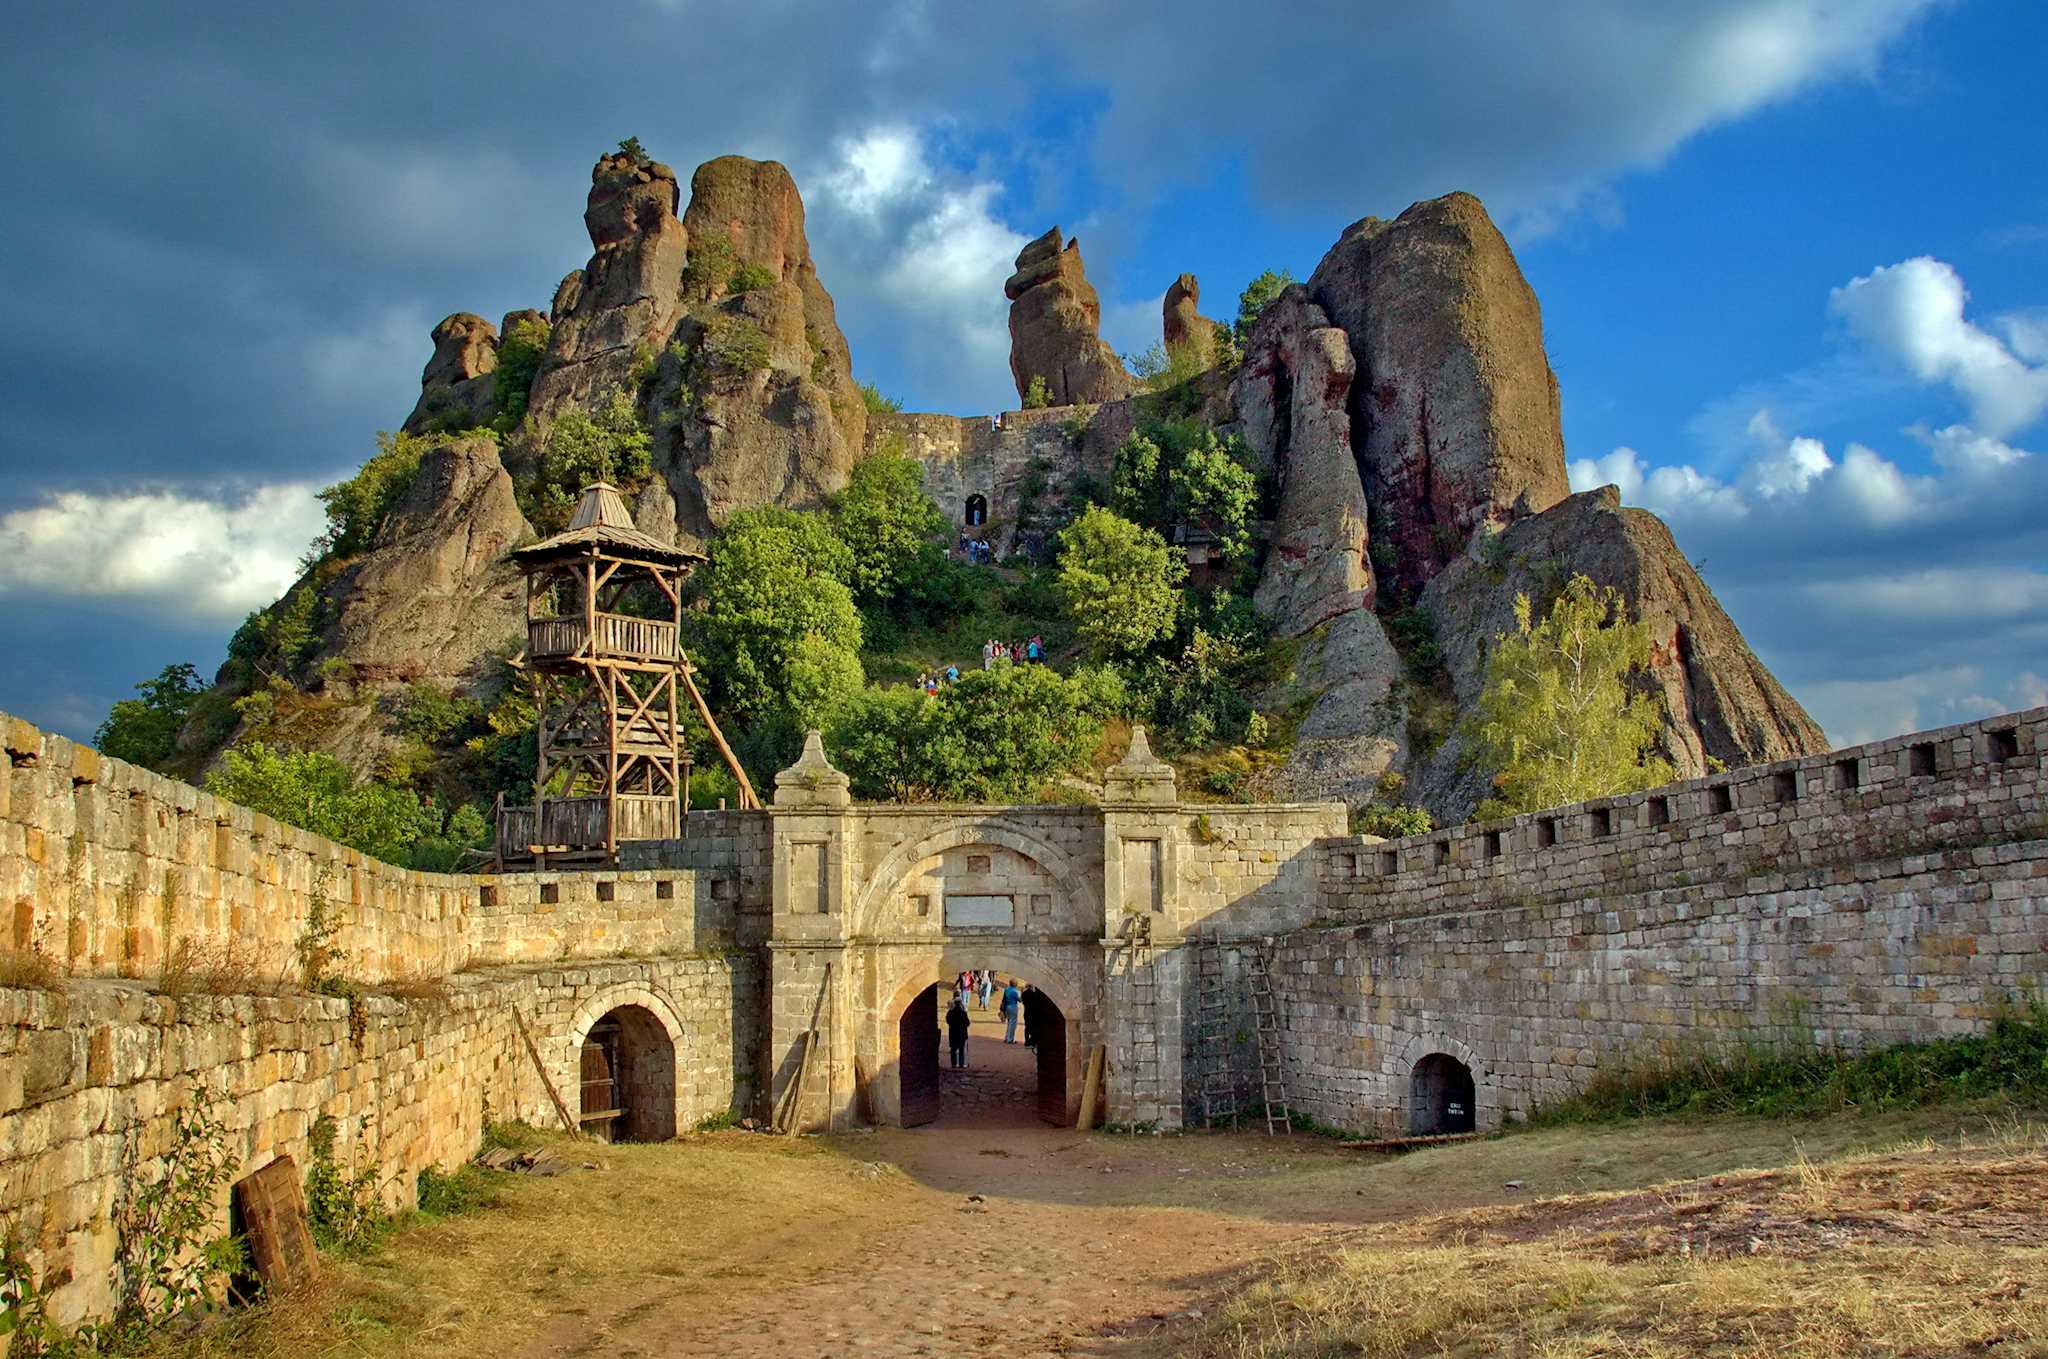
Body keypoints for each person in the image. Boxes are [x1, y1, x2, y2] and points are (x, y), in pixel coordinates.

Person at [946, 994, 971, 1069]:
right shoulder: (963, 1013)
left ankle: (953, 1064)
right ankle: (961, 1064)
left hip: (953, 1033)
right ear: (960, 1003)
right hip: (961, 1033)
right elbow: (967, 1023)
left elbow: (948, 1021)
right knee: (961, 1049)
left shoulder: (950, 1012)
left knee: (953, 1049)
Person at [1000, 979, 1023, 1043]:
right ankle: (1010, 1039)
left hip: (1007, 1007)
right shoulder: (1014, 991)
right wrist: (1022, 992)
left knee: (1009, 1023)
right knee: (1013, 1024)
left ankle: (1006, 1037)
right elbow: (1020, 1000)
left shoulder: (1006, 989)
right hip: (1013, 1007)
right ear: (1015, 984)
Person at [1021, 983, 1039, 1049]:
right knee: (1033, 1027)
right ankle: (1033, 1041)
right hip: (1033, 1013)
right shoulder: (1034, 994)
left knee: (1027, 1027)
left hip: (1026, 1012)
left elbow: (1023, 1002)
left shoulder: (1024, 994)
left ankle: (1027, 1041)